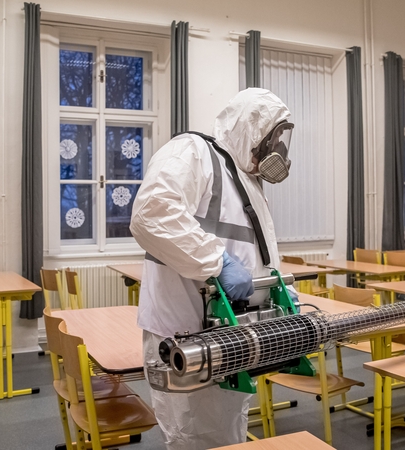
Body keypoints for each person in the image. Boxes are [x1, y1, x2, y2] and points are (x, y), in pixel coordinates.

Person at [129, 88, 294, 450]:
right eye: (274, 136)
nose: (279, 148)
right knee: (195, 438)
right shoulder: (193, 152)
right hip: (185, 337)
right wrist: (216, 262)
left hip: (229, 338)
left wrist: (278, 286)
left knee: (225, 433)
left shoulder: (246, 180)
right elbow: (151, 214)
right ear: (252, 129)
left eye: (284, 137)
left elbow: (254, 252)